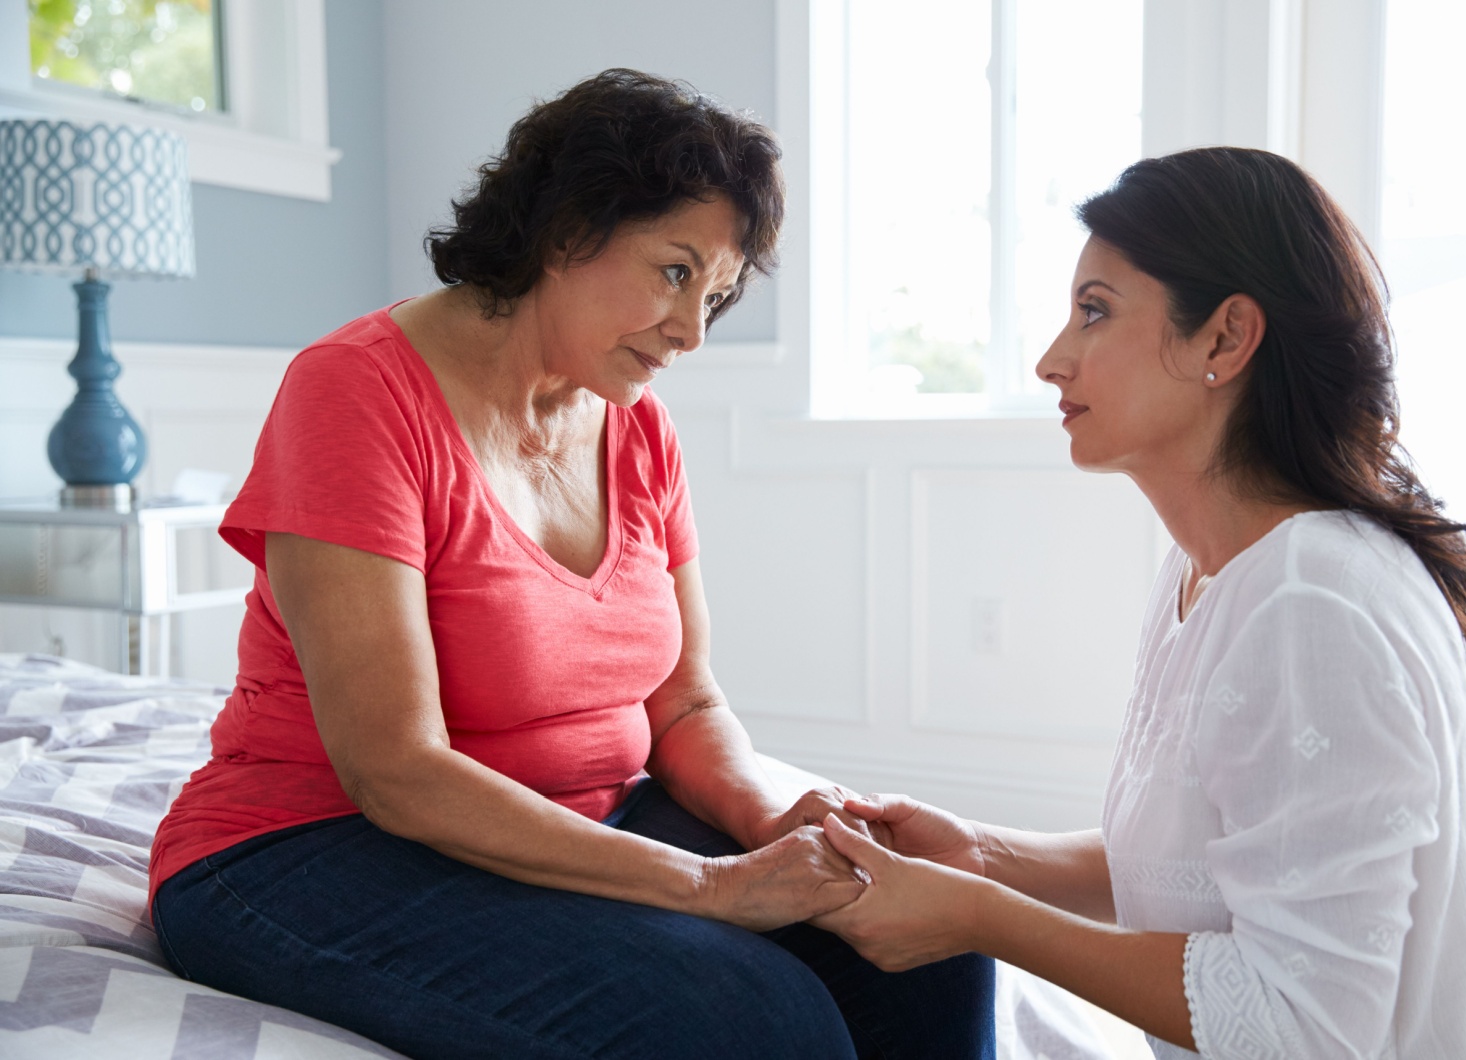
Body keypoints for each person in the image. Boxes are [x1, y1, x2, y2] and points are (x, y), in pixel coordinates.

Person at [149, 69, 994, 1060]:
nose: (690, 332)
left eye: (714, 296)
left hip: (584, 819)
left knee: (929, 941)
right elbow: (397, 774)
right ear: (566, 229)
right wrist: (710, 889)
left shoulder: (638, 429)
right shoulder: (354, 393)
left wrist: (773, 825)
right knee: (750, 1015)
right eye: (675, 272)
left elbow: (683, 705)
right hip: (311, 844)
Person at [811, 147, 1466, 1059]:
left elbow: (1302, 1028)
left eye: (1094, 313)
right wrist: (986, 857)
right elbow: (1223, 867)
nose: (1050, 360)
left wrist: (982, 917)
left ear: (1225, 339)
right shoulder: (1211, 570)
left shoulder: (1313, 605)